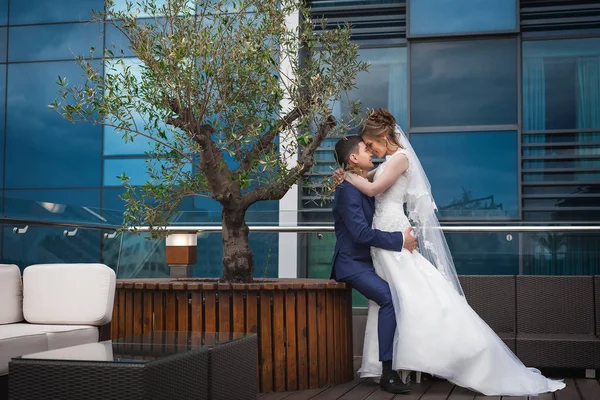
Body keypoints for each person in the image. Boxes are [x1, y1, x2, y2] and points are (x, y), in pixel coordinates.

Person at [342, 109, 566, 396]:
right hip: (385, 240)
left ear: (383, 136)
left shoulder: (401, 160)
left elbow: (371, 189)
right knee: (394, 299)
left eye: (371, 145)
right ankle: (390, 365)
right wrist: (350, 173)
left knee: (411, 297)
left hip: (395, 236)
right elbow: (369, 177)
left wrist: (347, 177)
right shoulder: (387, 162)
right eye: (367, 148)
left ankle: (452, 356)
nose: (370, 150)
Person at [331, 135, 417, 394]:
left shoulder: (360, 182)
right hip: (351, 264)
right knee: (388, 298)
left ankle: (401, 364)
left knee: (398, 295)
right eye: (366, 149)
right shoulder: (347, 190)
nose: (371, 152)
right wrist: (400, 239)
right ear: (353, 158)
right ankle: (387, 374)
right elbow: (360, 234)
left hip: (367, 260)